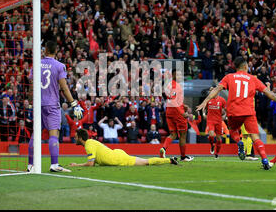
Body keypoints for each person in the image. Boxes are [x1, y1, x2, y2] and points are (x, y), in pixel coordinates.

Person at [197, 57, 276, 170]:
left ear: (236, 67)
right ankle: (265, 159)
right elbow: (268, 93)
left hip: (233, 111)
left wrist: (205, 101)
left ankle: (239, 142)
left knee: (233, 130)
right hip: (249, 112)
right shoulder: (252, 78)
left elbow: (217, 89)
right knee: (255, 137)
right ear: (246, 66)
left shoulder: (229, 77)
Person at [27, 41, 83, 173]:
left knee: (35, 135)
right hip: (52, 104)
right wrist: (74, 104)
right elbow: (63, 87)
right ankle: (54, 164)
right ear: (56, 52)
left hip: (38, 104)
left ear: (45, 50)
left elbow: (31, 86)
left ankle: (30, 165)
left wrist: (30, 102)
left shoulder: (36, 64)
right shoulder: (59, 66)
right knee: (53, 134)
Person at [69, 129, 178, 167]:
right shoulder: (90, 143)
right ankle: (169, 160)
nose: (74, 139)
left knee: (146, 162)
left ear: (80, 138)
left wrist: (76, 165)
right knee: (145, 161)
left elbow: (90, 164)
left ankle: (169, 160)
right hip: (115, 154)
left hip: (118, 158)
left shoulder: (88, 145)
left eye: (76, 137)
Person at [160, 69, 194, 162]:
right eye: (178, 75)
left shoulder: (169, 84)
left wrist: (184, 105)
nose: (180, 76)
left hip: (169, 111)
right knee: (183, 135)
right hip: (177, 113)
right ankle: (183, 157)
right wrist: (182, 112)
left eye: (180, 75)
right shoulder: (176, 86)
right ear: (174, 75)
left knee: (173, 134)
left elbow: (171, 99)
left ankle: (163, 149)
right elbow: (174, 101)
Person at [203, 87, 226, 159]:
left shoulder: (222, 100)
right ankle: (212, 145)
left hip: (219, 121)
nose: (211, 91)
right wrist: (204, 114)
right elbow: (203, 109)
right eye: (210, 90)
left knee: (219, 139)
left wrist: (224, 116)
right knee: (211, 135)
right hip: (210, 120)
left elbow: (225, 110)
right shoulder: (208, 100)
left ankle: (217, 153)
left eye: (212, 90)